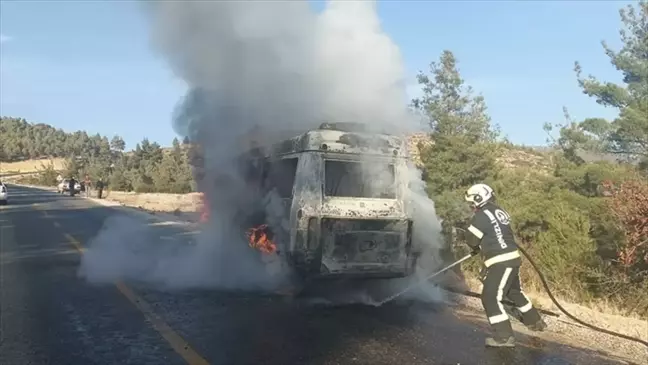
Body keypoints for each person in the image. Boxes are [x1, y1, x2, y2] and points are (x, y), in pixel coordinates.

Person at [463, 183, 547, 348]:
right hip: (512, 258)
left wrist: (475, 246)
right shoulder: (498, 210)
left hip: (500, 261)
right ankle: (535, 321)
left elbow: (472, 239)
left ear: (479, 199)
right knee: (514, 292)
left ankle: (504, 337)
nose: (471, 206)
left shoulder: (481, 216)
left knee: (490, 297)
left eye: (472, 202)